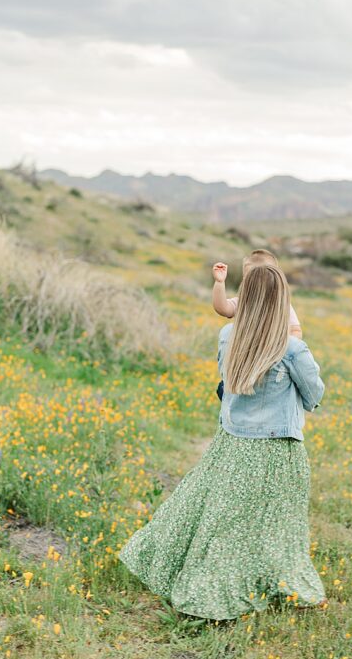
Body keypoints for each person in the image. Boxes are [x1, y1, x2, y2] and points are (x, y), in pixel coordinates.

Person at [119, 264, 327, 619]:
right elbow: (314, 396)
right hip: (276, 451)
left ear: (244, 297)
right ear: (282, 302)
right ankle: (246, 584)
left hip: (230, 444)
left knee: (217, 518)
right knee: (275, 525)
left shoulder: (228, 335)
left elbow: (226, 380)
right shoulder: (292, 348)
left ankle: (180, 567)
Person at [212, 248, 302, 400]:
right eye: (248, 279)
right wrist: (219, 283)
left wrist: (280, 349)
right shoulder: (243, 302)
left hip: (269, 359)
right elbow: (223, 308)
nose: (254, 285)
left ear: (275, 279)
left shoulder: (282, 305)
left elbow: (295, 331)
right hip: (244, 360)